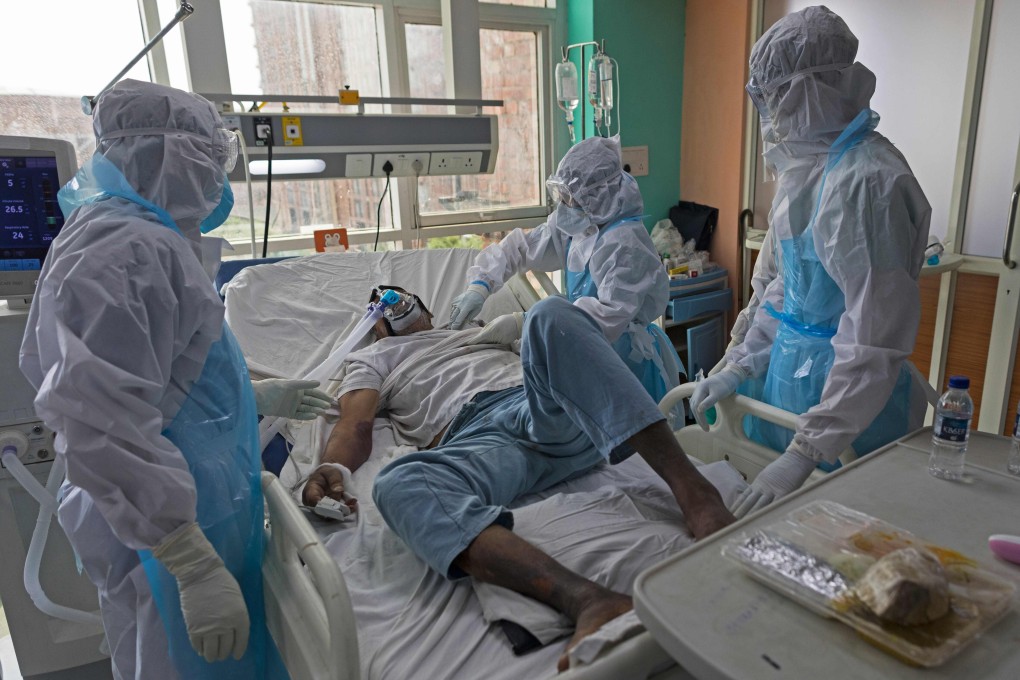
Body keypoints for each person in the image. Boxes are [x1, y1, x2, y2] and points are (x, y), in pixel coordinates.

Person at [19, 80, 329, 679]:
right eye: (213, 161)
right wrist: (190, 562)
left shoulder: (141, 238)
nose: (220, 181)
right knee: (172, 661)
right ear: (172, 156)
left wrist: (253, 396)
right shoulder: (125, 253)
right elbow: (95, 420)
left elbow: (161, 375)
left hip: (184, 501)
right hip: (167, 530)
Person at [302, 286, 735, 672]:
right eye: (383, 304)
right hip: (480, 440)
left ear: (431, 310)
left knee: (551, 312)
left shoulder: (476, 329)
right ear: (377, 327)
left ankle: (697, 494)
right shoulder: (374, 357)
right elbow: (355, 427)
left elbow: (566, 349)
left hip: (546, 409)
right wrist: (332, 467)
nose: (393, 302)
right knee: (397, 483)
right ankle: (589, 601)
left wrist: (516, 326)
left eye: (401, 295)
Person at [692, 6, 931, 517]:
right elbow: (783, 296)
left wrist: (807, 451)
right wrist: (736, 367)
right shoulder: (807, 174)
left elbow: (872, 338)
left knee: (844, 543)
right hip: (786, 384)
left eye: (778, 97)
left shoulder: (869, 184)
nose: (771, 114)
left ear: (813, 89)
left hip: (851, 410)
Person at [447, 135, 683, 403]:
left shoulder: (624, 245)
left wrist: (528, 322)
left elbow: (605, 319)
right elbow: (522, 247)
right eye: (562, 194)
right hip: (579, 349)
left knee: (622, 436)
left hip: (621, 362)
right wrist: (480, 285)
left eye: (570, 197)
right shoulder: (579, 225)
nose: (563, 205)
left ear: (598, 196)